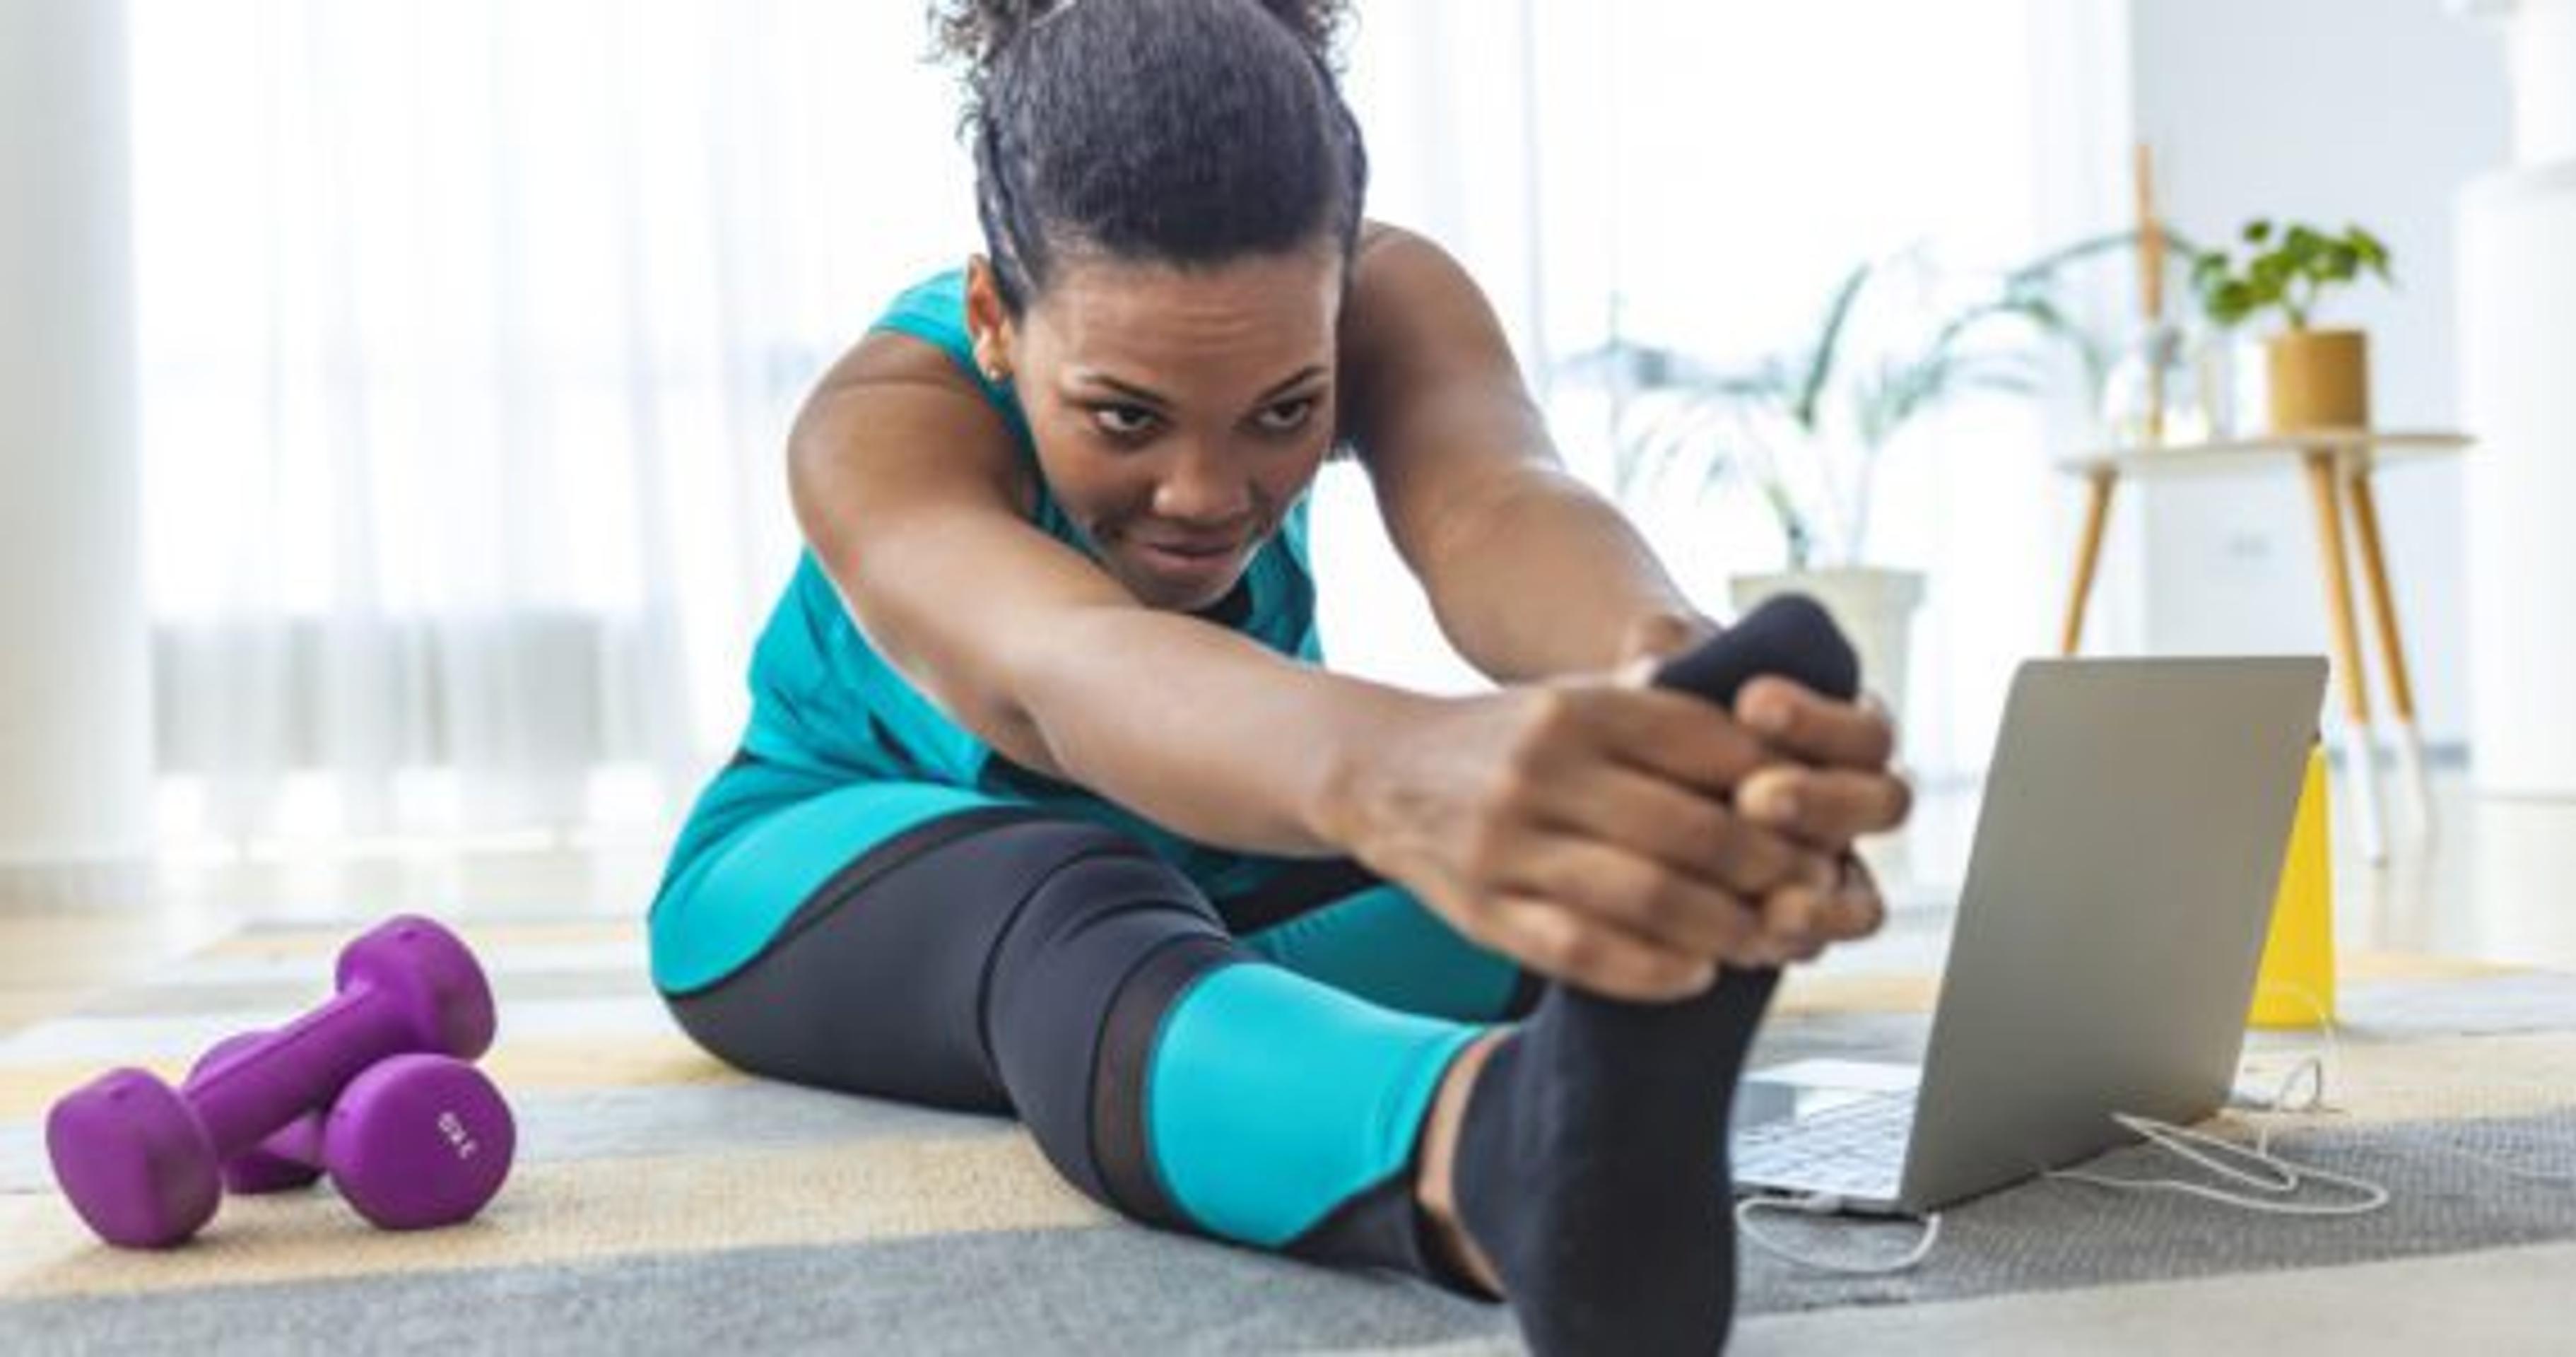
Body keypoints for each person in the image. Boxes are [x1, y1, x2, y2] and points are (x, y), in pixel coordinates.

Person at [647, 1, 1910, 1351]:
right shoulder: (880, 426)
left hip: (1217, 852)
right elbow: (1074, 671)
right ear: (994, 318)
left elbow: (1495, 506)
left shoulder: (1387, 297)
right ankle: (1490, 1154)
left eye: (1285, 414)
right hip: (833, 873)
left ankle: (1257, 1026)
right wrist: (1409, 771)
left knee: (1562, 860)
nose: (1205, 494)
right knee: (1070, 901)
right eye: (1125, 417)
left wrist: (1667, 694)